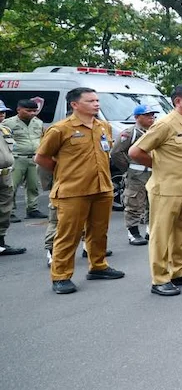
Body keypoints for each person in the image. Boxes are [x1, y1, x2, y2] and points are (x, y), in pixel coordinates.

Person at [35, 87, 125, 294]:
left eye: (97, 100)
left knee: (99, 230)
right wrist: (64, 173)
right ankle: (61, 276)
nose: (96, 104)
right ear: (75, 104)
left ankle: (98, 266)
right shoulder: (60, 129)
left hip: (102, 187)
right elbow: (41, 158)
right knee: (69, 234)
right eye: (90, 101)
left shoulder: (103, 126)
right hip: (73, 190)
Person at [129, 84, 182, 297]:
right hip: (168, 189)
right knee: (161, 235)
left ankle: (179, 271)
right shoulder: (165, 124)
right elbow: (135, 151)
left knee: (181, 233)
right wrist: (159, 166)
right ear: (178, 102)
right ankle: (160, 279)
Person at [111, 105, 158, 245]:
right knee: (134, 203)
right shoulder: (130, 133)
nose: (151, 118)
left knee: (154, 203)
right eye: (147, 115)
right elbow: (116, 152)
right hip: (136, 175)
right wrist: (128, 168)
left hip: (154, 173)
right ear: (137, 117)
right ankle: (133, 232)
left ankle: (151, 230)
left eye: (152, 115)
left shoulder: (155, 131)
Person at [3, 99, 47, 219]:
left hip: (34, 158)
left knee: (33, 185)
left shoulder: (38, 122)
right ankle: (9, 211)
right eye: (28, 111)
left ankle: (32, 209)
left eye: (34, 111)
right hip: (16, 158)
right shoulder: (8, 123)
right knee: (11, 186)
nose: (32, 113)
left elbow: (42, 138)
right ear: (19, 110)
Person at [0, 102, 22, 256]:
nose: (2, 114)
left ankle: (1, 243)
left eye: (3, 112)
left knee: (5, 209)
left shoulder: (5, 129)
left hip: (5, 175)